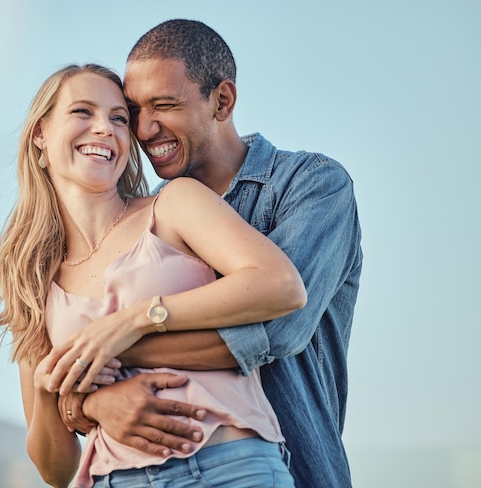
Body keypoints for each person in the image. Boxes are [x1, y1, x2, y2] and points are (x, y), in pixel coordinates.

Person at [61, 19, 363, 488]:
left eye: (165, 105)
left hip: (294, 468)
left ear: (222, 101)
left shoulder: (313, 185)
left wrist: (107, 347)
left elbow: (275, 331)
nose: (144, 128)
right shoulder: (148, 222)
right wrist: (93, 399)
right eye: (134, 109)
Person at [0, 63, 307, 488]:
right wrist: (52, 393)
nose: (104, 128)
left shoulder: (175, 204)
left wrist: (135, 320)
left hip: (227, 466)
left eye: (118, 118)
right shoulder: (32, 278)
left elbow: (281, 285)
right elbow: (56, 472)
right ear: (40, 134)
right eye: (83, 112)